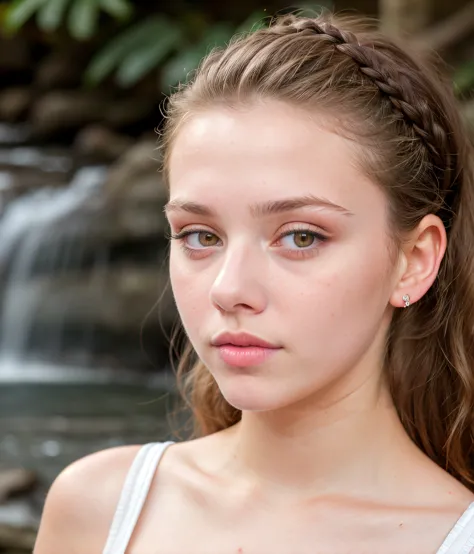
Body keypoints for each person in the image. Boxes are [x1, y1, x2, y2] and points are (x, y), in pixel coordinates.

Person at [33, 10, 474, 554]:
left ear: (414, 260)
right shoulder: (97, 509)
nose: (228, 288)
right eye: (200, 235)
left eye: (302, 237)